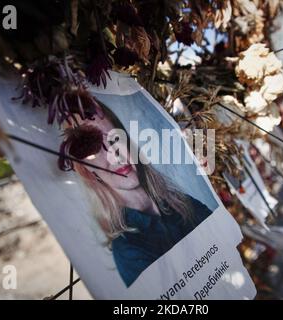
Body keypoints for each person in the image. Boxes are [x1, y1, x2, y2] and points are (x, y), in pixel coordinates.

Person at [59, 103, 213, 287]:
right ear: (88, 171)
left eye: (116, 138)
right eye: (94, 150)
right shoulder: (129, 251)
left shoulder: (180, 202)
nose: (115, 155)